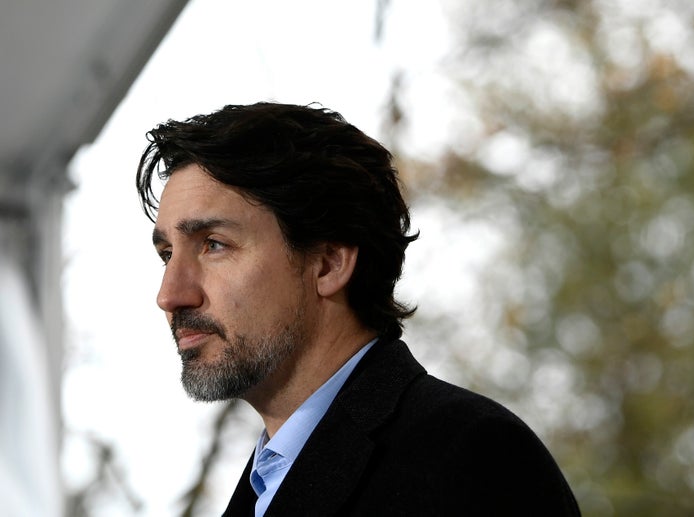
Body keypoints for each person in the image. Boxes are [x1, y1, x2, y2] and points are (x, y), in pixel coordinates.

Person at [135, 102, 581, 516]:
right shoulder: (265, 484)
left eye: (213, 245)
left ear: (328, 263)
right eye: (166, 254)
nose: (170, 295)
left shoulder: (473, 457)